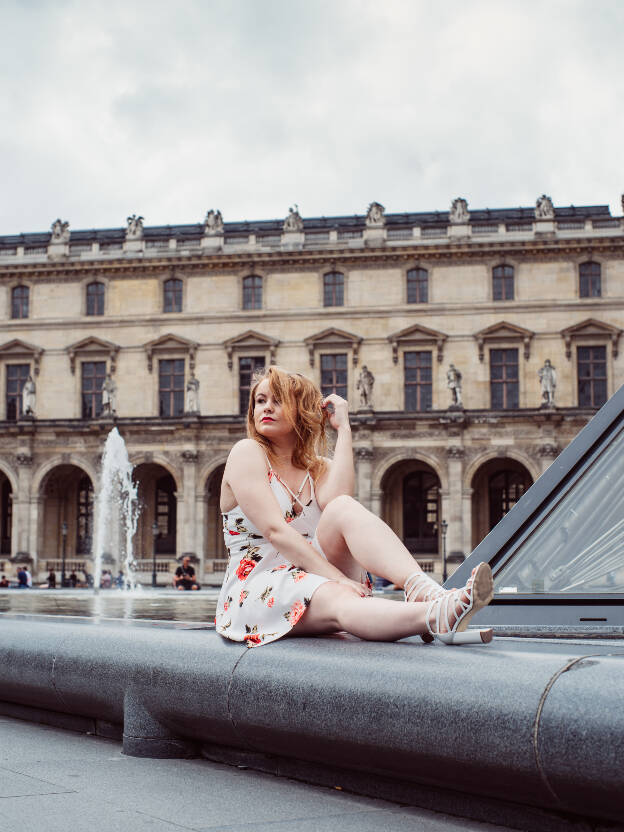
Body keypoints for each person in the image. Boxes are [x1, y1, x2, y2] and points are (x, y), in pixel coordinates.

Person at [215, 366, 493, 649]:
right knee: (339, 597)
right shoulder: (247, 452)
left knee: (343, 508)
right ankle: (436, 616)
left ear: (302, 410)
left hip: (311, 571)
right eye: (260, 401)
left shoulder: (317, 469)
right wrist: (337, 578)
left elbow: (340, 505)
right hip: (260, 586)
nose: (266, 408)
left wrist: (344, 429)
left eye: (277, 400)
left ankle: (420, 588)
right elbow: (275, 531)